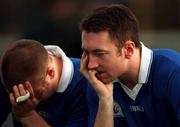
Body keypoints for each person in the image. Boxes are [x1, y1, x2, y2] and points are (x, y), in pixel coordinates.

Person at [79, 4, 180, 127]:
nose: (90, 65)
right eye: (86, 53)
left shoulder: (173, 71)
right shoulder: (98, 83)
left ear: (128, 50)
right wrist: (105, 100)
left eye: (99, 53)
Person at [0, 39, 89, 127]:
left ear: (51, 73)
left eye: (36, 94)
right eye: (19, 97)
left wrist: (28, 116)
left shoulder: (85, 84)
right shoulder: (12, 76)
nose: (27, 102)